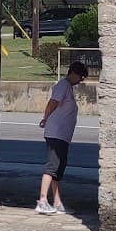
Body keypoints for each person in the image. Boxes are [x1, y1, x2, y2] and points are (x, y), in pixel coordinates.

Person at [36, 61, 88, 215]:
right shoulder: (63, 85)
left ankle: (57, 202)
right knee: (53, 165)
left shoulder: (68, 88)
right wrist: (45, 118)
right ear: (74, 73)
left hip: (62, 135)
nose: (80, 81)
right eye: (81, 77)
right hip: (56, 133)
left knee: (59, 168)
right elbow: (52, 103)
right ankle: (42, 200)